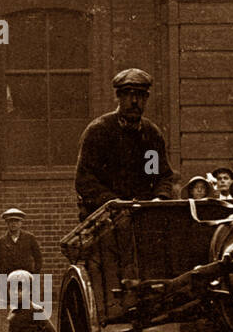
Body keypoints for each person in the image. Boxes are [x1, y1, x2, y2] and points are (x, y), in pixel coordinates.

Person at [74, 68, 177, 219]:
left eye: (140, 95)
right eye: (128, 94)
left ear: (146, 98)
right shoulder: (99, 131)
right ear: (118, 97)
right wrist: (114, 203)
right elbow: (86, 180)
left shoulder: (150, 135)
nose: (134, 101)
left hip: (142, 216)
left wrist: (160, 198)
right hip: (105, 216)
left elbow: (158, 175)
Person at [0, 208, 42, 277]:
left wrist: (34, 275)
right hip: (7, 279)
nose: (13, 224)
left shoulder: (30, 238)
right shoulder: (1, 241)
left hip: (26, 277)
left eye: (16, 221)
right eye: (11, 221)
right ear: (7, 223)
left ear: (21, 223)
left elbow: (38, 259)